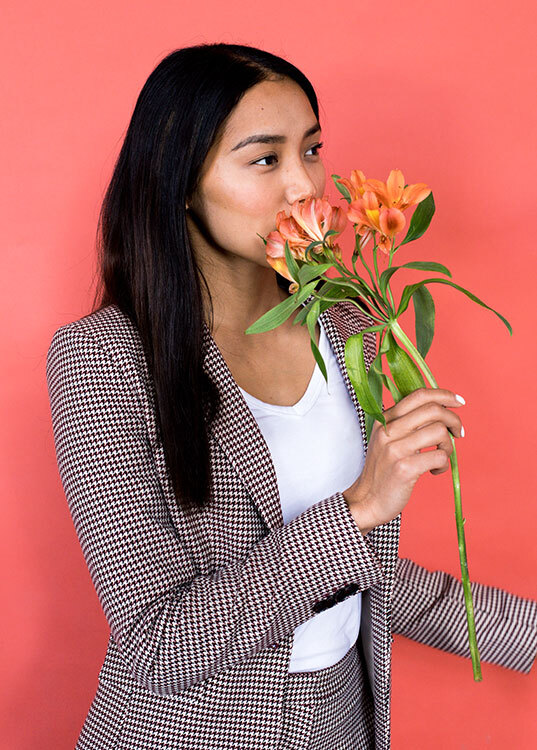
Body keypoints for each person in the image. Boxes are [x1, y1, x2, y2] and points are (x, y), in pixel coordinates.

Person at [46, 43, 537, 750]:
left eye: (311, 150)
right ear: (180, 182)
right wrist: (360, 506)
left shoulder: (350, 327)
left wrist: (525, 633)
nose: (305, 185)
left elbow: (364, 568)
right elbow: (157, 643)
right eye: (264, 159)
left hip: (345, 717)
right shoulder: (104, 359)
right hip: (191, 731)